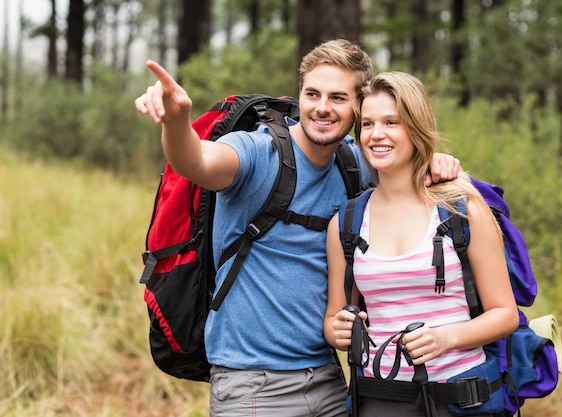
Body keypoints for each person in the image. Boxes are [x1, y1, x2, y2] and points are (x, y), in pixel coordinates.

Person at [135, 40, 460, 417]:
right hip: (252, 385)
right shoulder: (258, 152)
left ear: (358, 106)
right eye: (313, 94)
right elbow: (198, 161)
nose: (322, 107)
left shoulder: (355, 162)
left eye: (338, 97)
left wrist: (434, 159)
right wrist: (176, 124)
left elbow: (401, 157)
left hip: (328, 378)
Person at [324, 71, 519, 417]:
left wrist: (445, 338)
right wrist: (338, 330)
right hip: (379, 399)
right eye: (367, 124)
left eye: (391, 122)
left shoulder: (462, 209)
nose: (376, 134)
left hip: (460, 398)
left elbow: (505, 315)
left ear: (415, 127)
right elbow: (334, 318)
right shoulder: (347, 222)